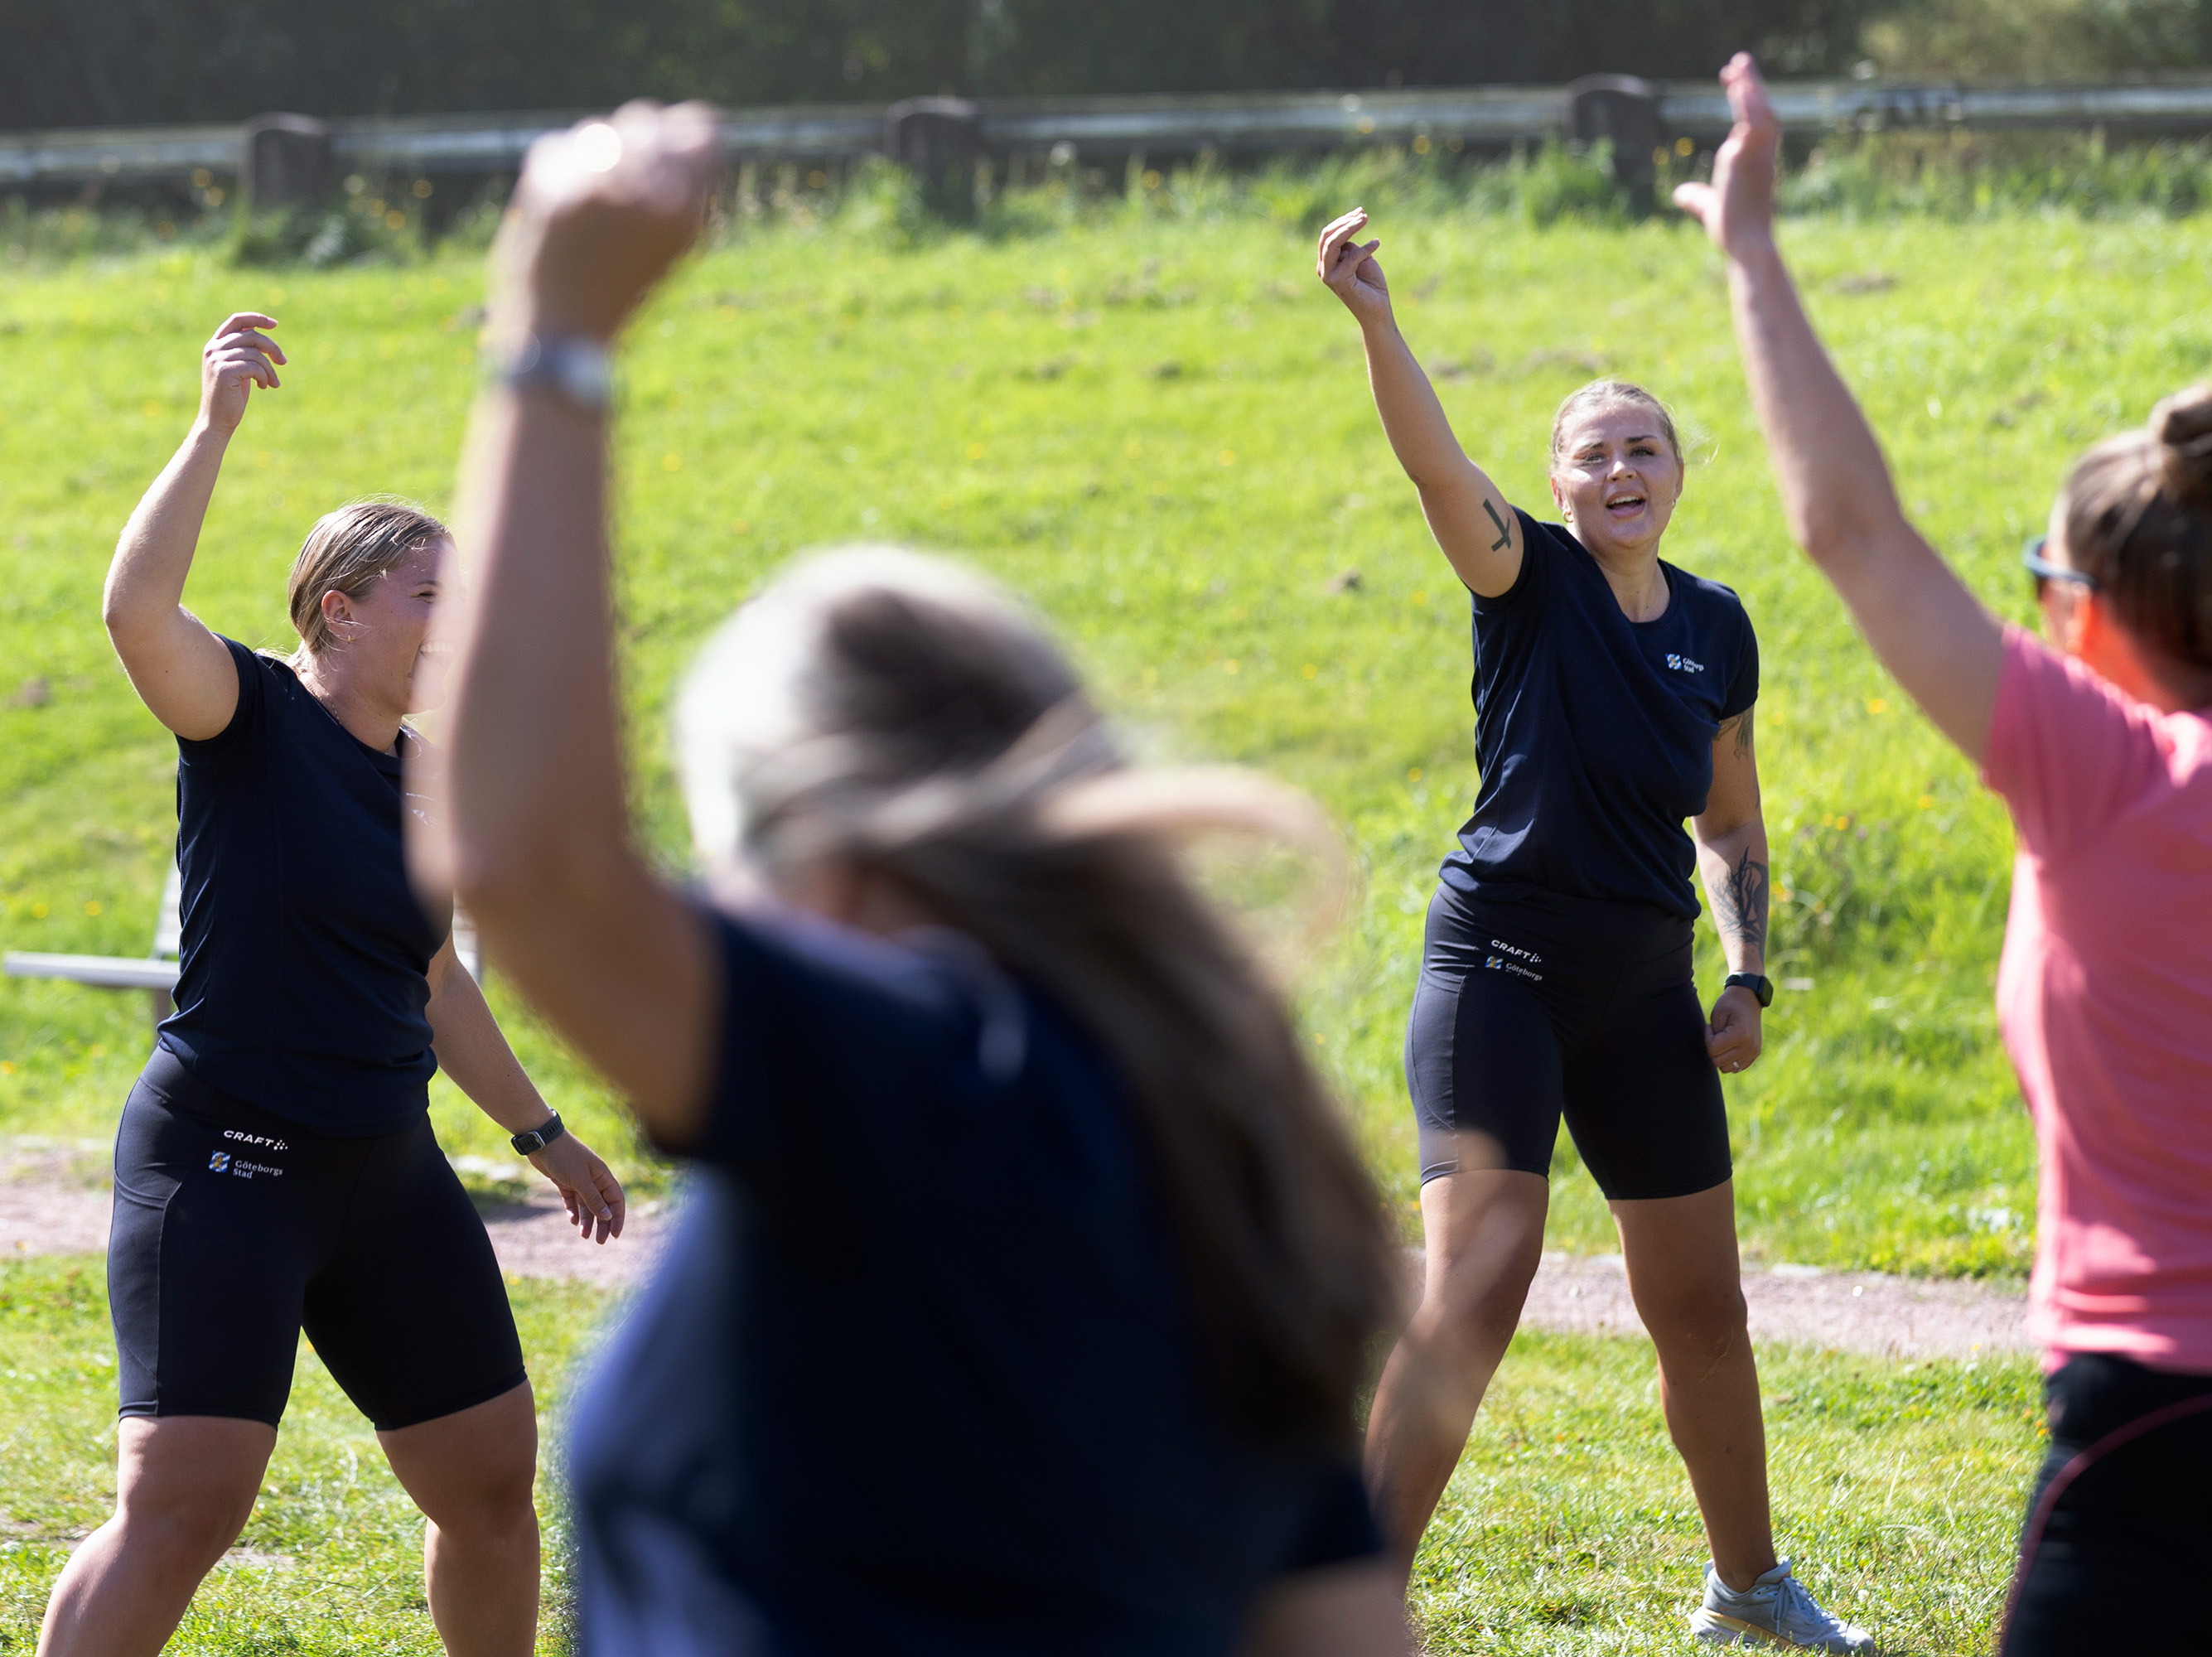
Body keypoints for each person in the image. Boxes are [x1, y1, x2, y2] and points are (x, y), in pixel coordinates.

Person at [420, 100, 1412, 1655]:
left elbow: (528, 868)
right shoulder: (1215, 1143)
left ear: (813, 843)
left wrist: (555, 337)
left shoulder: (917, 1068)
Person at [1677, 53, 2212, 1657]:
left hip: (2177, 1423)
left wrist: (1750, 251)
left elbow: (1850, 532)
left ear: (2082, 608)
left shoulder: (2098, 771)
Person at [1316, 205, 1872, 1651]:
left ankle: (1747, 1588)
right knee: (1481, 1279)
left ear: (1679, 473)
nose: (1622, 470)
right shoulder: (1524, 579)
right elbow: (1437, 467)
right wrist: (1380, 323)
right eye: (1594, 454)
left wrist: (1747, 975)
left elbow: (1730, 822)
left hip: (1641, 991)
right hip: (1498, 968)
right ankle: (1348, 1601)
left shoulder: (1718, 628)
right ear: (1558, 485)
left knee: (1704, 1306)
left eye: (1645, 449)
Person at [41, 313, 626, 1657]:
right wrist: (213, 428)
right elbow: (135, 613)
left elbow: (433, 981)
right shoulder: (245, 719)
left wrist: (543, 1136)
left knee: (492, 1490)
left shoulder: (428, 779)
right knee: (184, 1505)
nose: (455, 627)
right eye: (431, 599)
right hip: (226, 1157)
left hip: (384, 1169)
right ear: (340, 610)